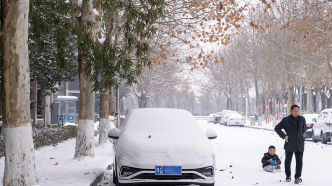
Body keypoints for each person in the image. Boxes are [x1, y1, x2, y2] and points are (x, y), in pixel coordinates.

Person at [274, 105, 307, 184]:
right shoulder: (286, 120)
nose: (296, 113)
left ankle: (297, 177)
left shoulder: (302, 119)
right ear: (291, 111)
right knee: (288, 161)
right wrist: (284, 136)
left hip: (300, 144)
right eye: (295, 111)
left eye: (297, 111)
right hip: (290, 143)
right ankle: (288, 175)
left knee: (299, 161)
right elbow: (277, 128)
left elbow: (304, 129)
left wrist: (299, 136)